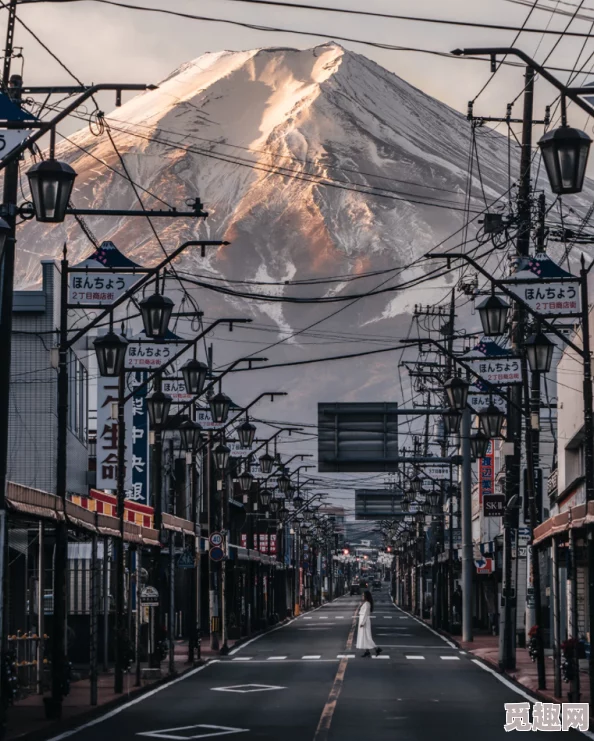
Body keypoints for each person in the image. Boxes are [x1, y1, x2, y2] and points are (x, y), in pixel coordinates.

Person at [356, 590, 382, 658]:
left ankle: (377, 649)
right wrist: (361, 605)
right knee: (364, 637)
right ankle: (367, 651)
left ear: (366, 596)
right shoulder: (365, 603)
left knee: (367, 636)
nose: (362, 596)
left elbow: (365, 614)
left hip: (364, 621)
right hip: (363, 620)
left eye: (363, 595)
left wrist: (362, 623)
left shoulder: (367, 604)